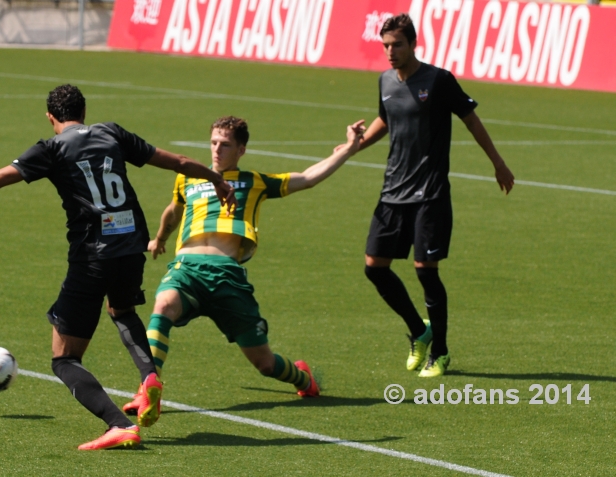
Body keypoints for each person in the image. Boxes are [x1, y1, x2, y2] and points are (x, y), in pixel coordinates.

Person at [0, 84, 236, 450]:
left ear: (51, 117)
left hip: (92, 256)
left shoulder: (52, 148)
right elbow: (180, 163)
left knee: (64, 357)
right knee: (122, 310)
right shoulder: (112, 133)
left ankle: (118, 425)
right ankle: (149, 377)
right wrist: (216, 178)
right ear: (84, 112)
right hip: (132, 246)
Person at [120, 115, 366, 415]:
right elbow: (173, 212)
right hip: (186, 267)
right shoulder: (189, 178)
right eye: (213, 143)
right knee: (162, 306)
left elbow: (308, 177)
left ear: (241, 150)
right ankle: (147, 389)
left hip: (228, 277)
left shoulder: (254, 182)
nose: (217, 150)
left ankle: (303, 377)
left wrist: (349, 149)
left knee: (264, 363)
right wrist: (159, 239)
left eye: (225, 145)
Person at [356, 14, 515, 377]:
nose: (390, 52)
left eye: (397, 45)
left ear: (413, 44)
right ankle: (419, 330)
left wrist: (498, 163)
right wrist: (355, 145)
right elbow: (386, 117)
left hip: (429, 193)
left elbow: (470, 118)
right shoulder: (384, 81)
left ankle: (440, 352)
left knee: (426, 270)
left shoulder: (439, 80)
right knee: (374, 268)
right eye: (385, 46)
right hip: (392, 191)